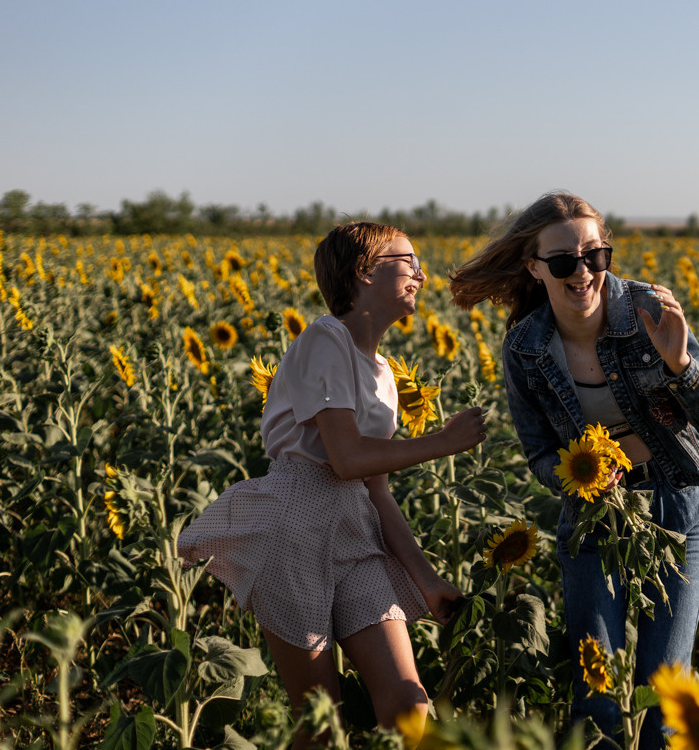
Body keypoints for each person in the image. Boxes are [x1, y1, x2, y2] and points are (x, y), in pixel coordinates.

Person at [179, 222, 486, 749]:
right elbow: (345, 459)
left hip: (355, 533)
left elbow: (375, 489)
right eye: (408, 261)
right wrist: (444, 440)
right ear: (365, 272)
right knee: (320, 725)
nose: (422, 273)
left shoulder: (385, 373)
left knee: (409, 704)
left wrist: (426, 578)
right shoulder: (325, 338)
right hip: (293, 527)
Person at [449, 192, 699, 748]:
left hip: (676, 505)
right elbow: (538, 453)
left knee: (664, 690)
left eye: (595, 256)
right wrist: (580, 477)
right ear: (534, 267)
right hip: (593, 516)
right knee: (597, 689)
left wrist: (679, 363)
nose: (583, 273)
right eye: (563, 262)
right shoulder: (526, 347)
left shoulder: (648, 309)